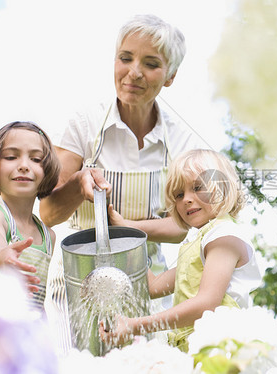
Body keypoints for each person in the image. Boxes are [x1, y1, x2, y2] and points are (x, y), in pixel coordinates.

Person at [39, 14, 206, 353]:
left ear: (171, 76)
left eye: (151, 63)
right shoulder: (84, 122)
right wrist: (78, 184)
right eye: (125, 58)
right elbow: (48, 212)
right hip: (73, 281)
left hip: (145, 283)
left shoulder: (181, 139)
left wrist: (128, 226)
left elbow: (185, 224)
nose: (134, 72)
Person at [99, 149, 263, 352]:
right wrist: (127, 236)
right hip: (199, 352)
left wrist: (135, 325)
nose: (186, 199)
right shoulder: (199, 244)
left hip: (222, 351)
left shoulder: (224, 237)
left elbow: (206, 304)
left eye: (197, 188)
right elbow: (154, 287)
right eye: (179, 194)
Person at [0, 121, 60, 311]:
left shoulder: (48, 236)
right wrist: (2, 255)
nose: (24, 166)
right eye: (11, 157)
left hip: (19, 334)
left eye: (36, 159)